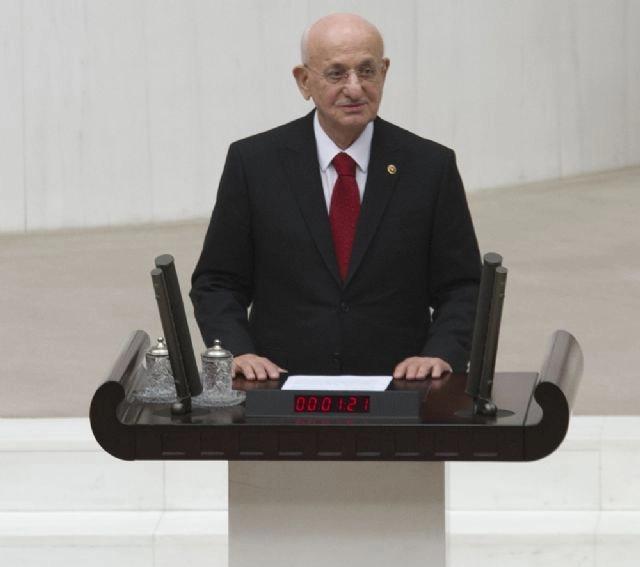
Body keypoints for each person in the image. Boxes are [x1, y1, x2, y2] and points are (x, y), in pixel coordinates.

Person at [190, 13, 481, 382]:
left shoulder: (430, 166)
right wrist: (237, 351)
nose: (355, 88)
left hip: (399, 387)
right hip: (282, 384)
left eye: (367, 71)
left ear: (384, 72)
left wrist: (440, 354)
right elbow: (218, 281)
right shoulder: (254, 163)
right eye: (336, 73)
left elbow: (463, 286)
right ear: (304, 80)